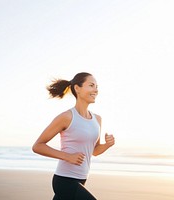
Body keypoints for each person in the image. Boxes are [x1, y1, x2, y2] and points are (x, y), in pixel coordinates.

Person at [32, 72, 115, 200]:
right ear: (77, 88)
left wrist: (107, 145)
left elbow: (94, 151)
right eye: (91, 85)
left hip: (82, 178)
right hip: (64, 180)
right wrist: (67, 156)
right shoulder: (67, 117)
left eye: (97, 86)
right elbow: (38, 146)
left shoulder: (97, 119)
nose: (96, 90)